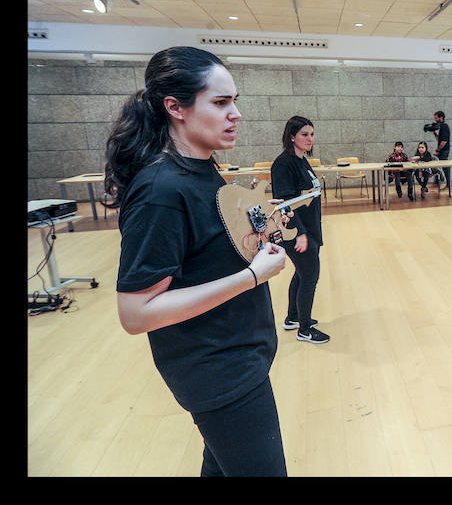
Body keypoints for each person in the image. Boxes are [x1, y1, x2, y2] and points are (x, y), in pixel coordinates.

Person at [106, 46, 289, 476]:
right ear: (176, 108)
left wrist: (258, 233)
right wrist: (251, 276)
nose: (236, 114)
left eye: (235, 101)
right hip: (218, 371)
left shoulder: (202, 168)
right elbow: (136, 313)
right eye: (221, 102)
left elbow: (205, 254)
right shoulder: (160, 190)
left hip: (239, 355)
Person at [271, 115, 329, 344]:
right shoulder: (283, 164)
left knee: (302, 273)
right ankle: (304, 330)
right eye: (304, 134)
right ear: (292, 136)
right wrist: (300, 233)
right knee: (310, 277)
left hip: (309, 229)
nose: (310, 138)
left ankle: (293, 317)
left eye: (312, 134)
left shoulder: (302, 160)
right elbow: (284, 203)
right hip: (297, 233)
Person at [432, 111, 451, 194]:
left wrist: (437, 150)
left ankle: (449, 185)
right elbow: (439, 139)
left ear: (441, 118)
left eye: (436, 118)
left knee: (445, 168)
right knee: (439, 166)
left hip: (444, 151)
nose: (435, 120)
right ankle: (437, 183)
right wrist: (434, 133)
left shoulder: (444, 127)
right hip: (442, 150)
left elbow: (444, 142)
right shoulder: (441, 127)